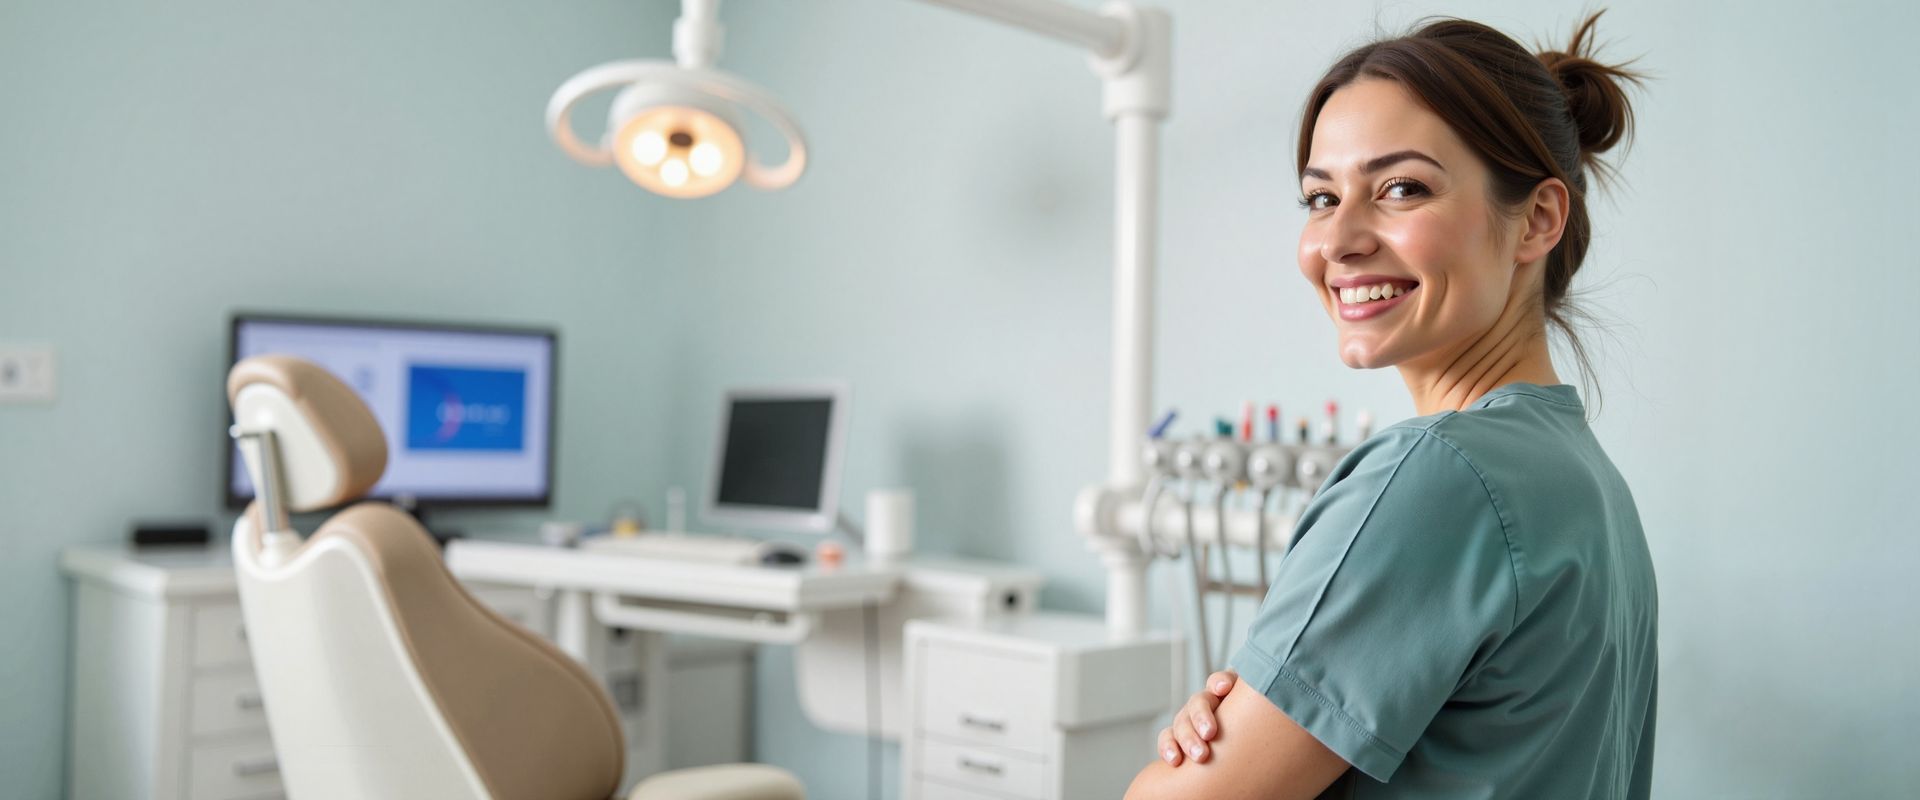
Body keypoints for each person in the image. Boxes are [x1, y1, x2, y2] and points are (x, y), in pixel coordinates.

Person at [1125, 11, 1656, 799]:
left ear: (1537, 220)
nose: (1338, 240)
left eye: (1402, 188)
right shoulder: (1584, 481)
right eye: (1319, 197)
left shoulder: (1438, 476)